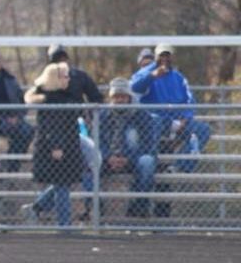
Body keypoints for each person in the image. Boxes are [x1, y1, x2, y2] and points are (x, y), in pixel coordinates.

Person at [131, 43, 211, 218]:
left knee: (203, 130)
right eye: (161, 55)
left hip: (177, 123)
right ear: (156, 57)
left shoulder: (179, 77)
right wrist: (152, 76)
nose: (165, 59)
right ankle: (140, 211)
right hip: (154, 127)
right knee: (150, 167)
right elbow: (134, 88)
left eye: (168, 55)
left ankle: (179, 167)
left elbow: (190, 101)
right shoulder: (146, 73)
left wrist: (184, 118)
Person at [80, 78, 160, 219]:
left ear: (129, 97)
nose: (119, 100)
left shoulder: (142, 115)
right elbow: (96, 142)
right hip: (107, 159)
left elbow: (149, 145)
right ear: (111, 98)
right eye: (116, 97)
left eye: (123, 96)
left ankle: (138, 208)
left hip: (134, 159)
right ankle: (95, 209)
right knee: (87, 165)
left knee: (147, 162)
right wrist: (108, 158)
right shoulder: (102, 115)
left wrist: (127, 158)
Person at [20, 62, 86, 227]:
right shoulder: (50, 99)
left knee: (61, 184)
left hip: (68, 145)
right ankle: (64, 225)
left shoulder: (66, 95)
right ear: (55, 79)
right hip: (54, 148)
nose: (68, 79)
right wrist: (57, 146)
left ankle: (35, 207)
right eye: (64, 76)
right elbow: (52, 125)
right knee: (62, 185)